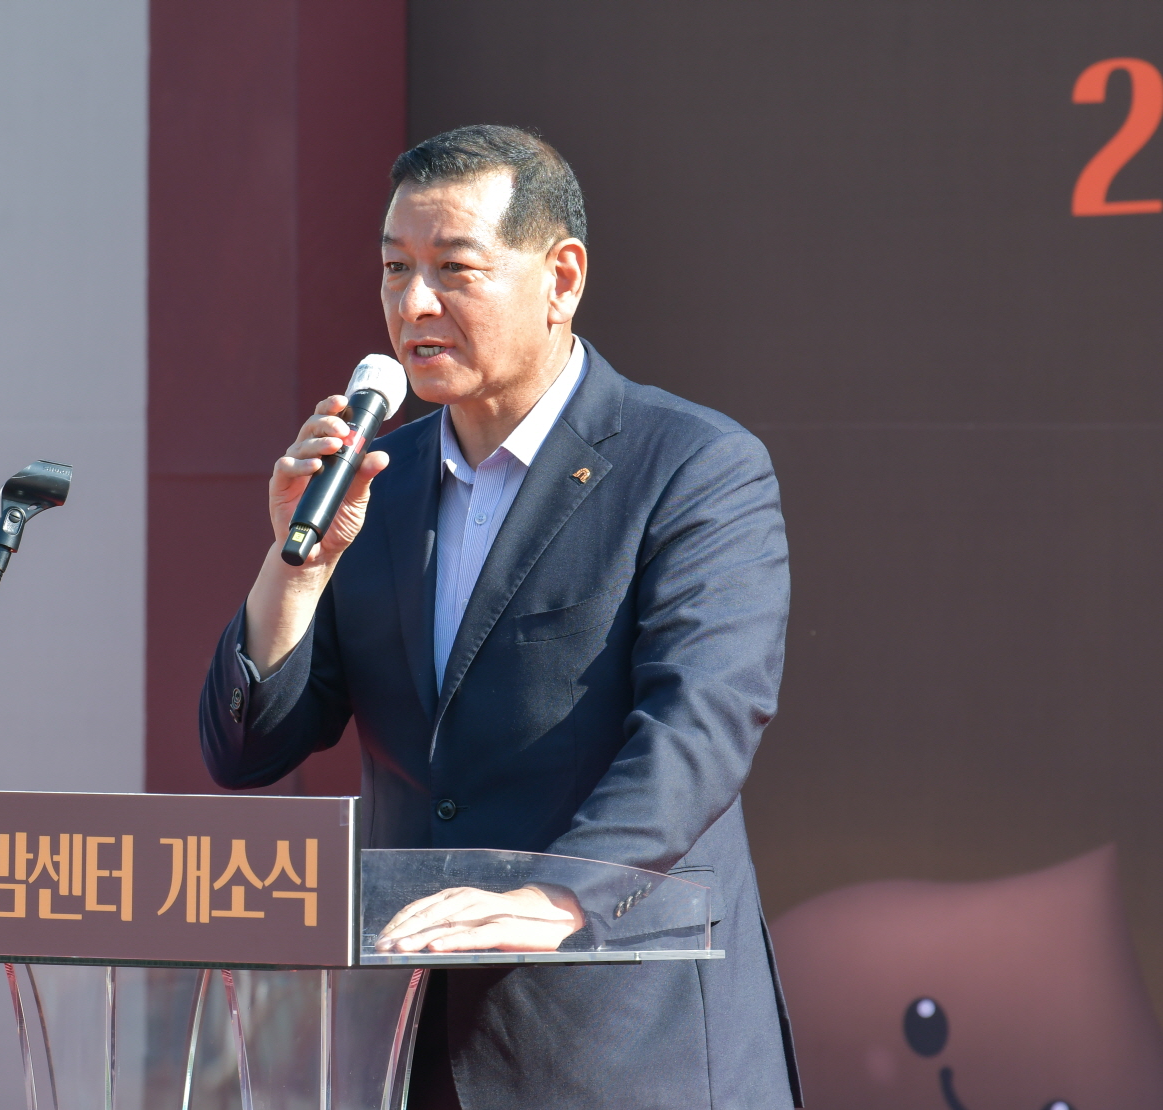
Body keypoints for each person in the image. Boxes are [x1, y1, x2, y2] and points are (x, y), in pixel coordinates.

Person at [199, 125, 800, 1109]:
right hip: (409, 1045)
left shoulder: (691, 468)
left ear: (561, 279)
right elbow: (246, 749)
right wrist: (296, 565)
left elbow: (700, 725)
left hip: (620, 1044)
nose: (413, 304)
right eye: (395, 269)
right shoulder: (377, 487)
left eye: (454, 269)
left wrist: (558, 895)